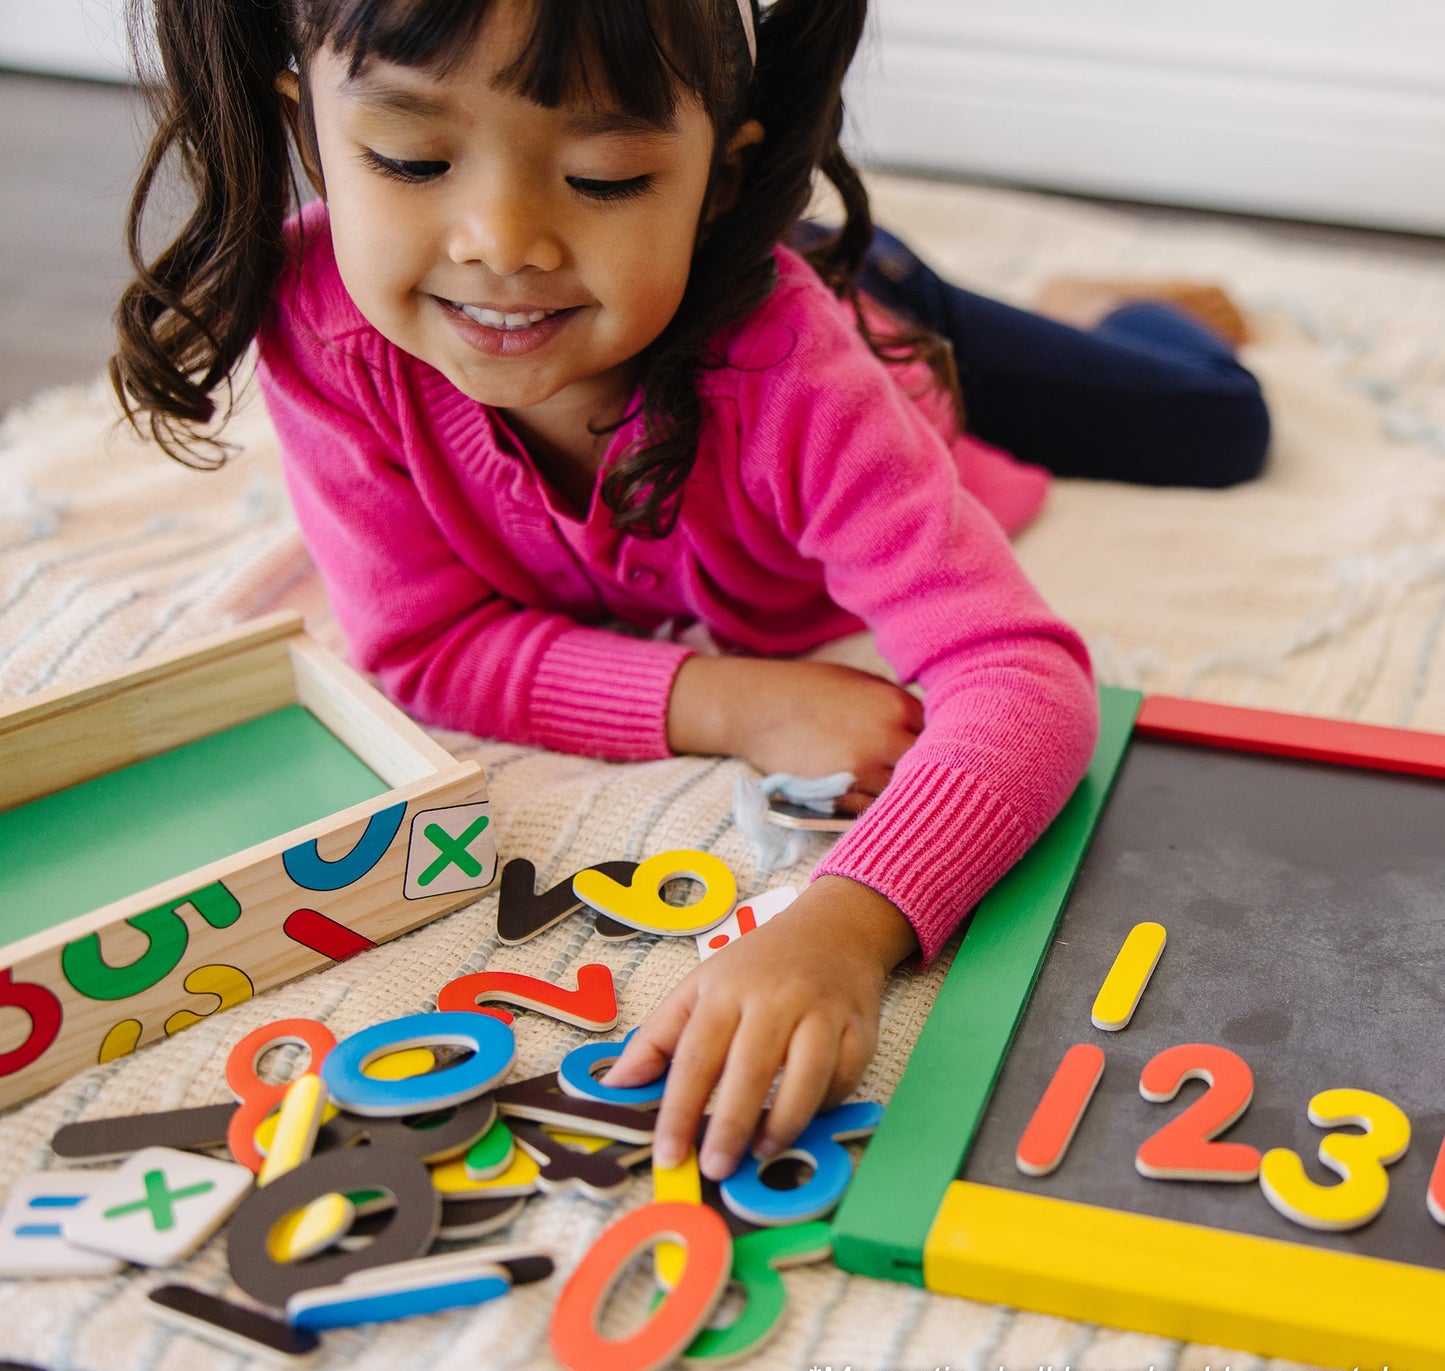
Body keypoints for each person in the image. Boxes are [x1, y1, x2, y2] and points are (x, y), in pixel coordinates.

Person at [109, 0, 1250, 1187]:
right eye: (409, 159)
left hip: (883, 321)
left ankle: (1085, 310)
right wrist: (730, 702)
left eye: (603, 176)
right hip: (760, 283)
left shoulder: (790, 374)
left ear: (716, 175)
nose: (501, 240)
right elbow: (424, 646)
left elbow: (1021, 673)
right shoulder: (320, 322)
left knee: (1222, 425)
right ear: (312, 137)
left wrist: (848, 924)